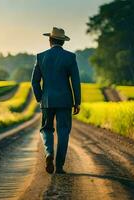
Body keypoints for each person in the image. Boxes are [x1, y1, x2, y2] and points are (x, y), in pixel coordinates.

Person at [31, 27, 81, 174]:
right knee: (64, 131)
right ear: (63, 42)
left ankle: (48, 153)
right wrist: (77, 101)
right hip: (65, 101)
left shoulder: (41, 57)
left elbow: (34, 82)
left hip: (47, 101)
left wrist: (41, 98)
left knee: (46, 129)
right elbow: (75, 82)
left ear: (50, 40)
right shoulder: (70, 57)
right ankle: (59, 166)